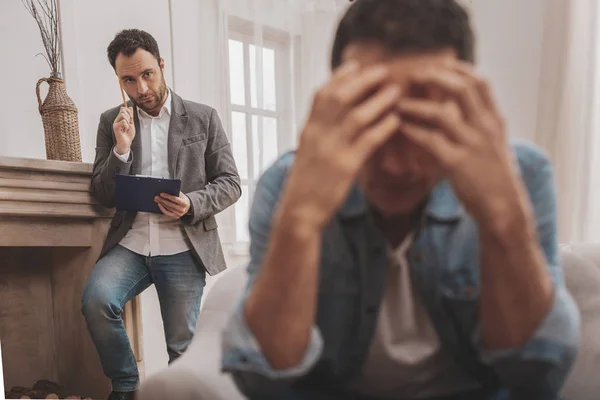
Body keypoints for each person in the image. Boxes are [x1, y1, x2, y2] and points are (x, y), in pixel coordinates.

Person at [221, 1, 580, 399]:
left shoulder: (523, 175)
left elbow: (538, 377)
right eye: (375, 120)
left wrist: (502, 220)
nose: (395, 166)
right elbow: (262, 380)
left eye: (423, 123)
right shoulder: (287, 183)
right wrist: (302, 221)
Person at [83, 29, 241, 400]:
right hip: (132, 244)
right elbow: (102, 194)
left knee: (181, 348)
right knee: (95, 300)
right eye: (129, 80)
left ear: (161, 65)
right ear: (119, 80)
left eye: (147, 74)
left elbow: (230, 182)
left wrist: (192, 203)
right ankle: (125, 386)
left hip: (183, 247)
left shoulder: (203, 118)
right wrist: (120, 150)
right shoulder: (112, 121)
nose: (141, 88)